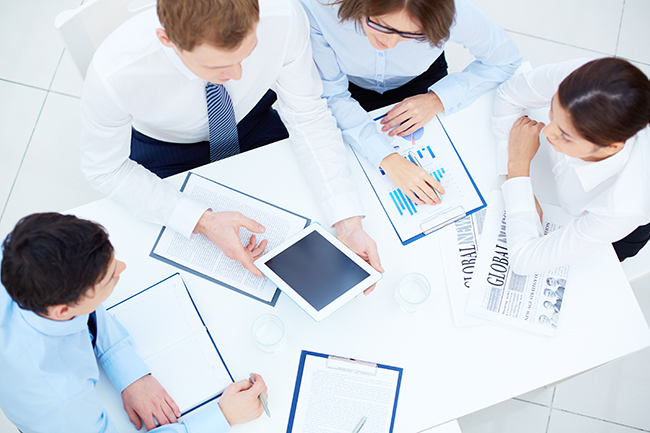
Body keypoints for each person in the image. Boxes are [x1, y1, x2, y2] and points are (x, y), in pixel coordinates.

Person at [80, 0, 382, 285]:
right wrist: (200, 221)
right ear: (167, 39)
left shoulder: (282, 16)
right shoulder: (115, 72)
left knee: (298, 214)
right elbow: (105, 170)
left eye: (247, 55)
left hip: (252, 119)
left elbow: (308, 113)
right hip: (165, 145)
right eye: (216, 67)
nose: (236, 74)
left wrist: (348, 222)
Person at [0, 213, 268, 432]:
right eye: (108, 278)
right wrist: (223, 417)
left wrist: (128, 371)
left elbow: (85, 306)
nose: (123, 267)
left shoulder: (18, 254)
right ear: (62, 311)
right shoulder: (60, 402)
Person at [298, 0, 521, 207]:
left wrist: (438, 99)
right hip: (348, 84)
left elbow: (505, 60)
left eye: (412, 35)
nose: (390, 44)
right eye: (381, 25)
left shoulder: (454, 10)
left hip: (422, 81)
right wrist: (387, 159)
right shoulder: (318, 6)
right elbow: (332, 94)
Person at [493, 58, 650, 275]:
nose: (546, 132)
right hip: (552, 183)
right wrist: (513, 176)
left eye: (566, 135)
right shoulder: (585, 82)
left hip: (617, 233)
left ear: (611, 148)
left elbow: (524, 260)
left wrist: (517, 168)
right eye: (552, 113)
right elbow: (508, 94)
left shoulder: (623, 207)